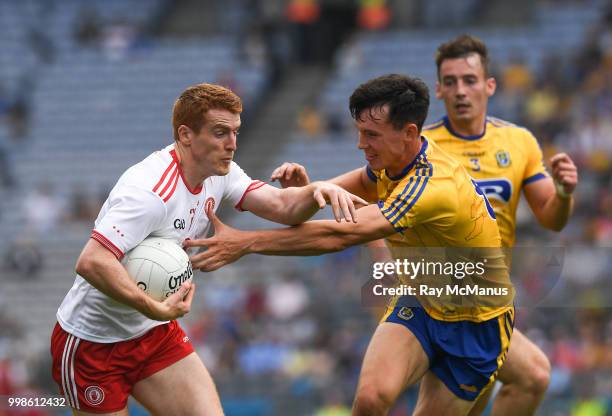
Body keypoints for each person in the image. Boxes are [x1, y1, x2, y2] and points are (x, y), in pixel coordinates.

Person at [187, 74, 516, 415]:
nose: (361, 144)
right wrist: (309, 191)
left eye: (371, 134)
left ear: (409, 134)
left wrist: (246, 242)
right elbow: (317, 200)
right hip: (421, 301)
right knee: (370, 400)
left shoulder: (433, 186)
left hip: (477, 323)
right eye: (360, 132)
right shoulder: (392, 164)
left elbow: (339, 235)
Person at [50, 83, 365, 416]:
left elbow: (282, 206)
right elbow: (92, 261)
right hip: (92, 345)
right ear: (186, 135)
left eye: (235, 132)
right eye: (220, 133)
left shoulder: (220, 173)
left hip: (154, 333)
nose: (232, 144)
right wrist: (151, 307)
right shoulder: (148, 192)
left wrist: (318, 190)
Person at [424, 35, 577, 416]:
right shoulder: (421, 146)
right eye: (451, 81)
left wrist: (564, 191)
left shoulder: (519, 141)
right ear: (439, 89)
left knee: (529, 378)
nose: (461, 90)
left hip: (488, 304)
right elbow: (377, 212)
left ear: (489, 85)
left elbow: (551, 217)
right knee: (516, 379)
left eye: (470, 80)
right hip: (438, 303)